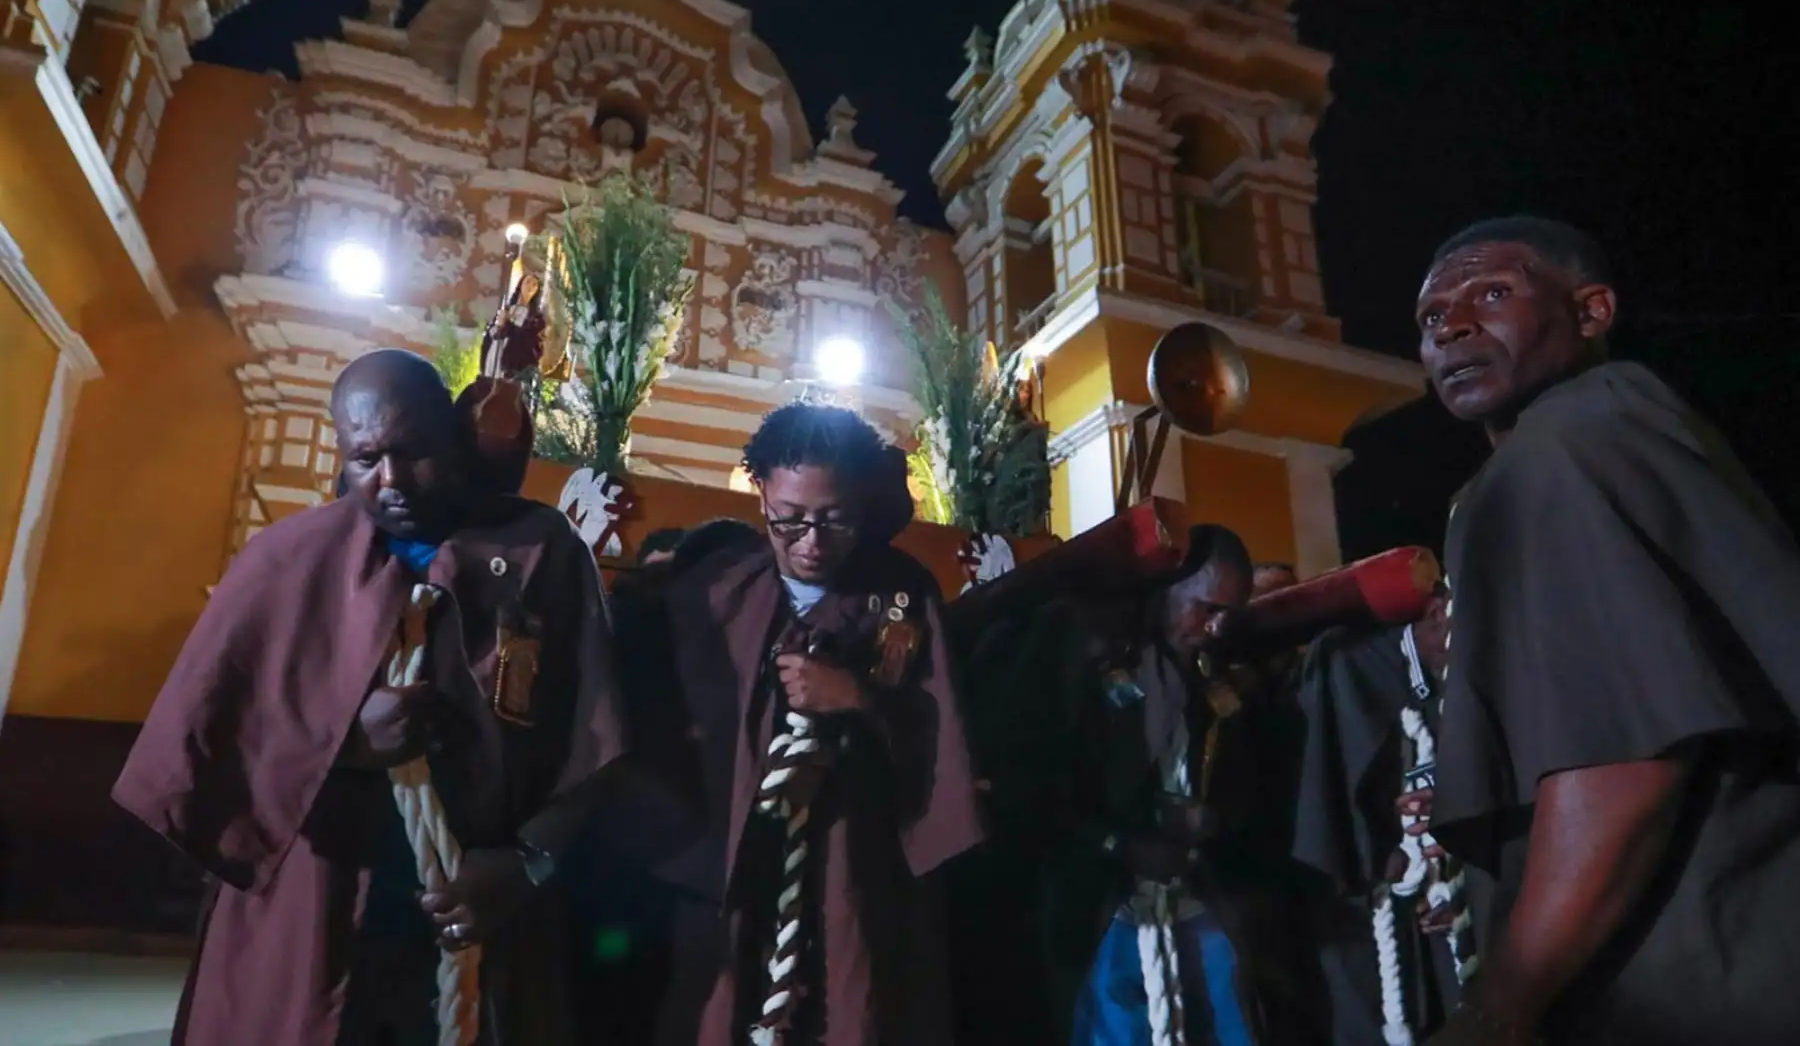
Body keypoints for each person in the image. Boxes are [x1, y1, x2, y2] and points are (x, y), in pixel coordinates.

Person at [114, 349, 625, 1046]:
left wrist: (525, 865)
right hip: (314, 902)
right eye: (366, 458)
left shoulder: (541, 553)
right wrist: (348, 744)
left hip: (478, 905)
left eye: (414, 452)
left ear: (454, 437)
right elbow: (202, 743)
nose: (391, 481)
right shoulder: (286, 560)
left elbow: (595, 737)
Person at [1414, 216, 1800, 1045]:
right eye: (1431, 317)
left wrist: (1502, 1004)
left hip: (1682, 979)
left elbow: (1622, 759)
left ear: (1591, 312)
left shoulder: (1564, 446)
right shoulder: (1609, 432)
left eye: (1490, 292)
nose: (1451, 325)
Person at [648, 402, 982, 1045]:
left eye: (835, 521)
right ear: (761, 492)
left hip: (853, 861)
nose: (811, 544)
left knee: (851, 1006)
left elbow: (940, 740)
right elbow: (669, 730)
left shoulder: (900, 592)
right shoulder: (718, 590)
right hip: (731, 864)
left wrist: (857, 699)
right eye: (789, 521)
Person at [1026, 524, 1299, 1046]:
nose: (1216, 628)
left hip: (1193, 897)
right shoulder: (1091, 663)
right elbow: (1043, 787)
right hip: (1103, 908)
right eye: (1206, 609)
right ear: (1168, 592)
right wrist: (1120, 843)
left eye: (1228, 615)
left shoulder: (1213, 678)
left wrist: (1212, 819)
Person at [1291, 584, 1470, 1044]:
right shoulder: (1348, 664)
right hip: (1376, 898)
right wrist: (1376, 851)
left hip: (1449, 894)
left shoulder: (1464, 676)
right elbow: (1331, 795)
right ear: (1436, 614)